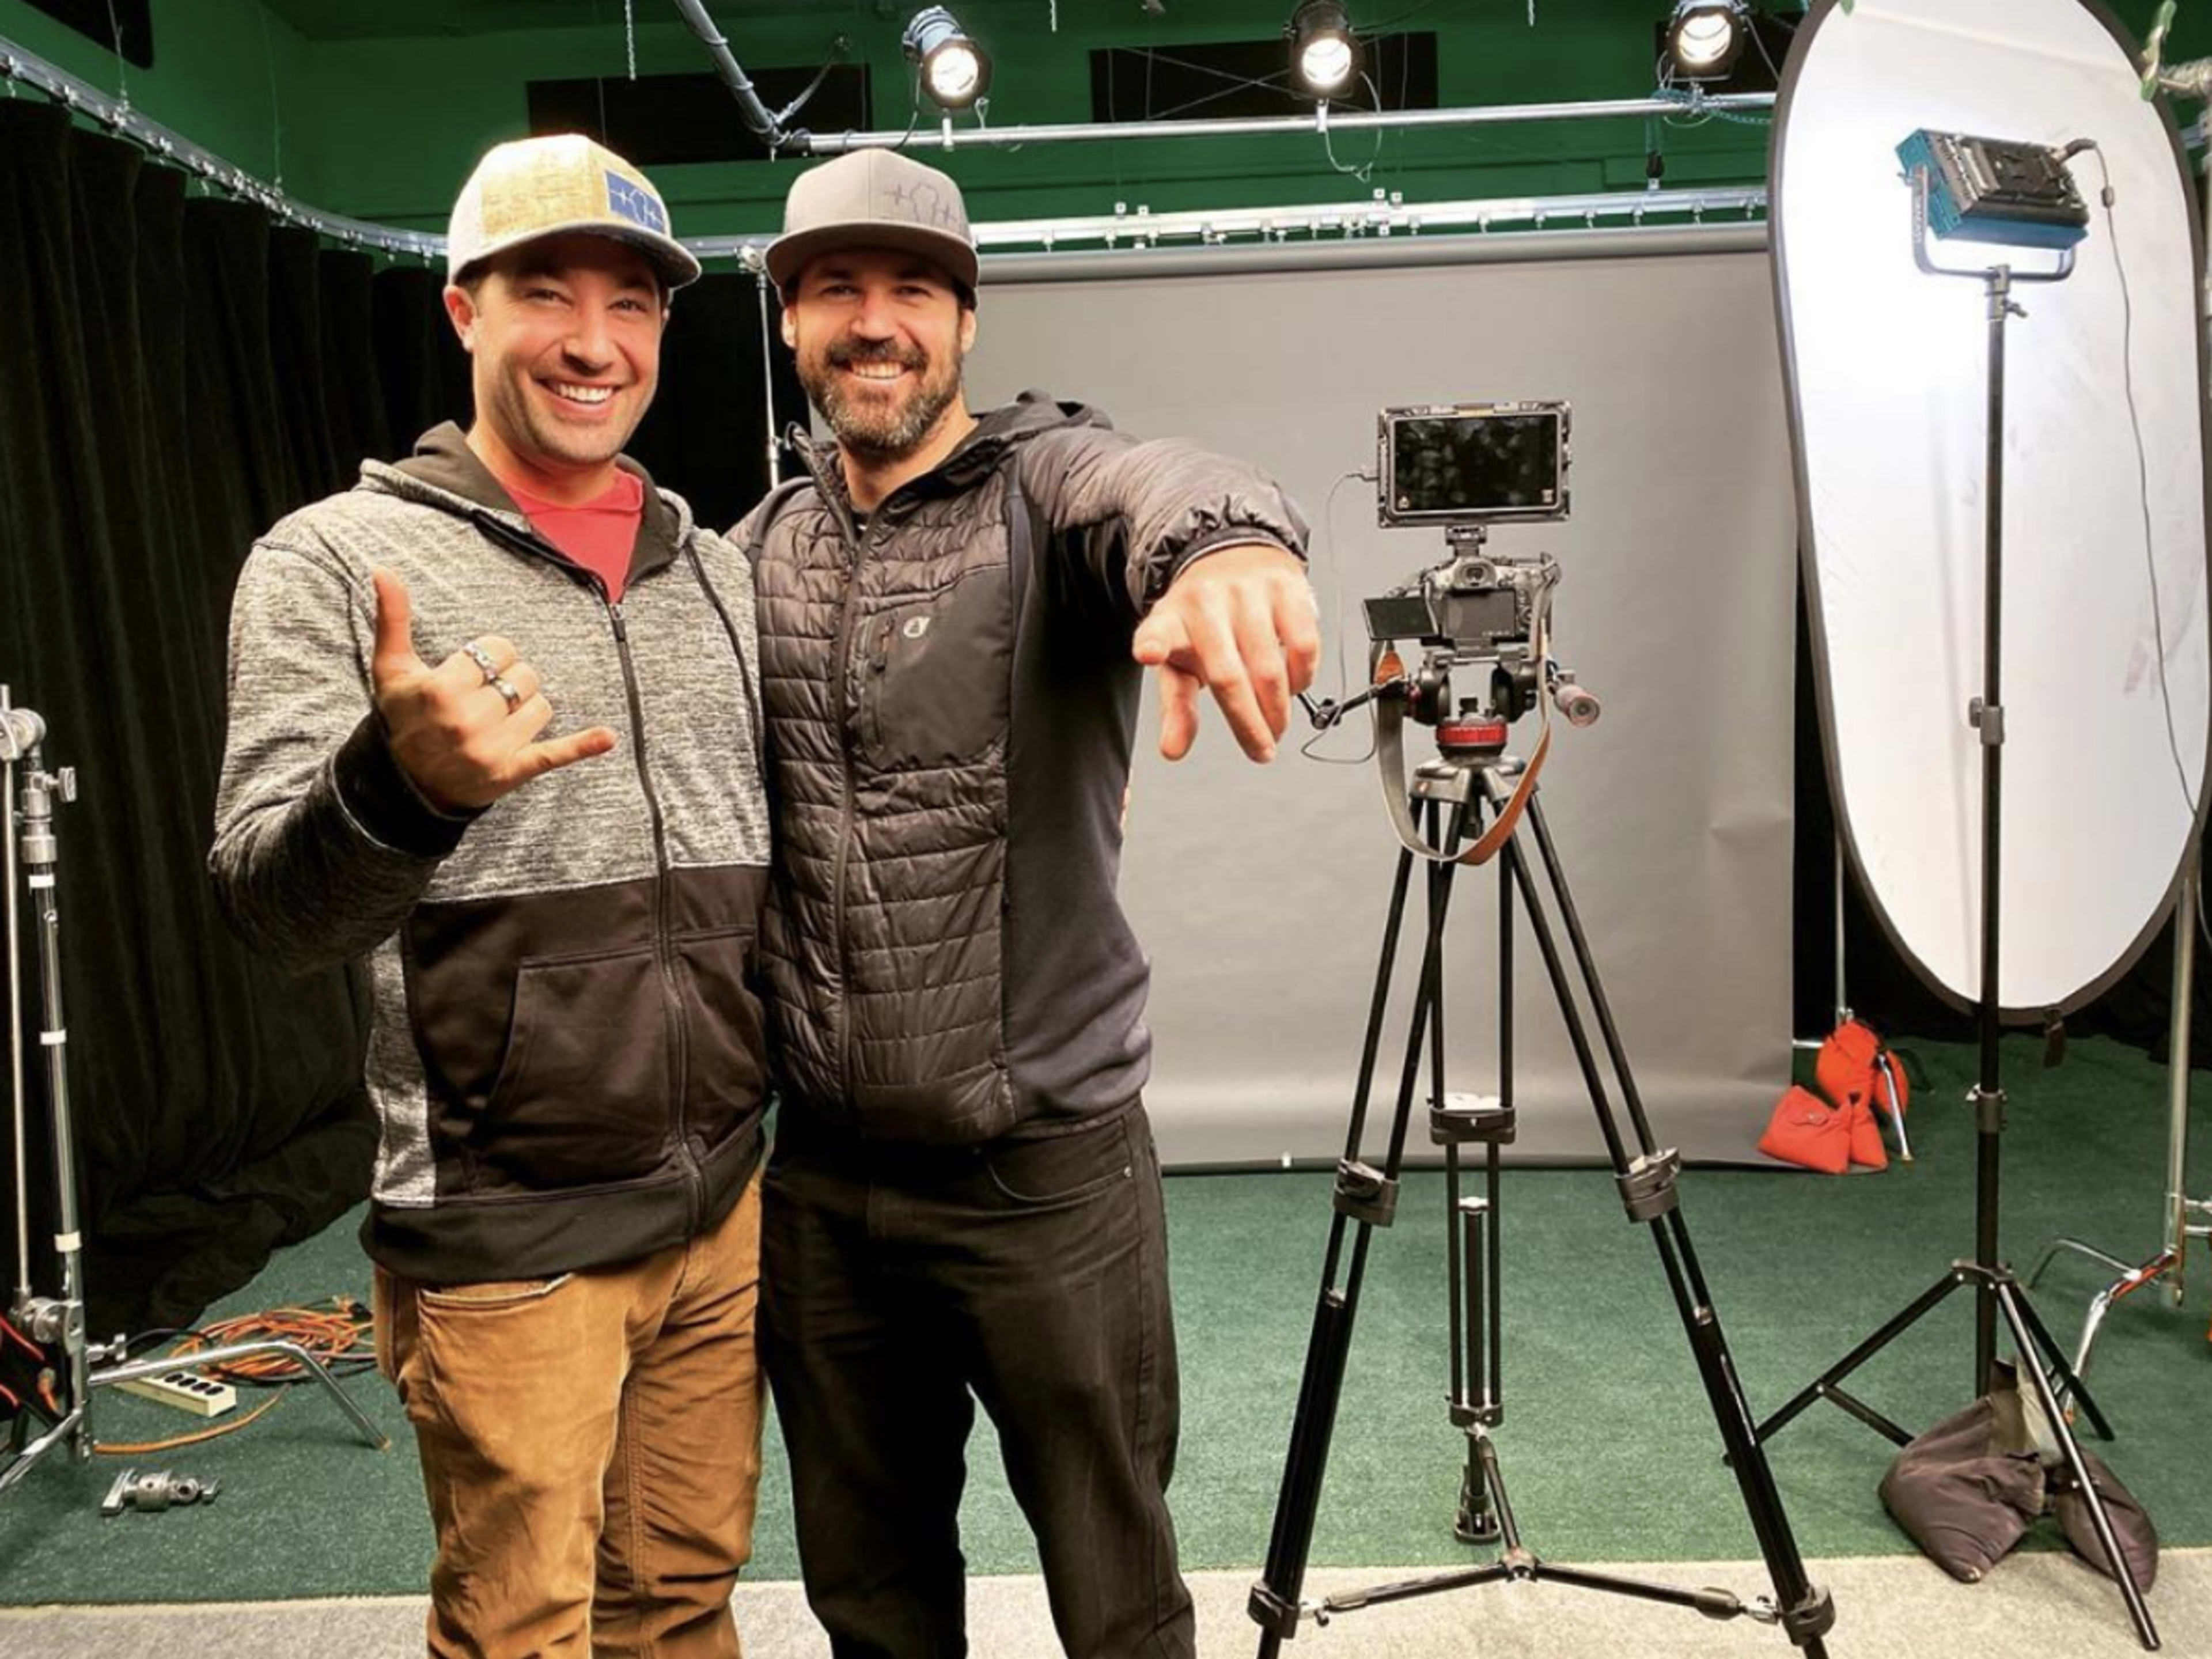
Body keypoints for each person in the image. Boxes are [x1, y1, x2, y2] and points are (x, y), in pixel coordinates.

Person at [738, 147, 1319, 1659]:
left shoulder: (1045, 491)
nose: (878, 323)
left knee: (1116, 1599)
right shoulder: (752, 555)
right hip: (821, 1189)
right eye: (837, 290)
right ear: (792, 322)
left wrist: (1231, 545)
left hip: (1041, 1180)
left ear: (967, 322)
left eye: (914, 289)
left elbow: (1164, 485)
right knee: (870, 1602)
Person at [209, 134, 772, 1659]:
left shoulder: (714, 571)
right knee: (524, 1627)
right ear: (465, 311)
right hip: (510, 1236)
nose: (596, 342)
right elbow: (268, 909)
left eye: (634, 305)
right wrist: (400, 792)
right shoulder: (335, 563)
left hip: (722, 1204)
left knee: (684, 1601)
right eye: (547, 292)